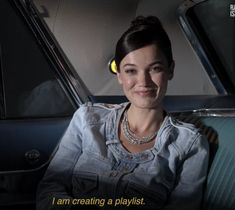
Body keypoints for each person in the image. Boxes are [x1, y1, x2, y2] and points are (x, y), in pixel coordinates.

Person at [36, 16, 209, 210]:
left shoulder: (189, 143)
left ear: (170, 70)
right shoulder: (87, 119)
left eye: (155, 69)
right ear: (119, 74)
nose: (143, 82)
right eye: (131, 71)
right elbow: (49, 191)